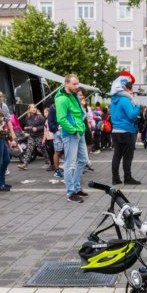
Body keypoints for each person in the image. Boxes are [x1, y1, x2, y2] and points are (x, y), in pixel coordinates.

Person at [55, 74, 89, 203]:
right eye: (74, 84)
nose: (77, 86)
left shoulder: (73, 95)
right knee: (70, 164)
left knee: (83, 161)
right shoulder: (62, 99)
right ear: (66, 83)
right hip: (71, 134)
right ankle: (70, 193)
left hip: (79, 132)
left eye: (78, 83)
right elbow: (61, 119)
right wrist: (74, 130)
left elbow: (78, 113)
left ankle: (76, 188)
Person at [110, 71, 141, 185]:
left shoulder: (114, 100)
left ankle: (115, 178)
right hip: (126, 131)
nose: (132, 90)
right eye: (130, 88)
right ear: (126, 88)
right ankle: (127, 178)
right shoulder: (125, 100)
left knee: (117, 155)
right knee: (127, 157)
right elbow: (132, 115)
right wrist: (137, 107)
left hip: (116, 131)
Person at [18, 104, 45, 170]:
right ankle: (25, 164)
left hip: (39, 135)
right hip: (31, 136)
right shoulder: (27, 117)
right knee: (29, 149)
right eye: (32, 108)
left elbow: (44, 126)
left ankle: (48, 162)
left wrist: (37, 128)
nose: (33, 109)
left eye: (35, 107)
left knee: (42, 149)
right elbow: (27, 126)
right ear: (29, 109)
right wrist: (26, 130)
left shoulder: (40, 116)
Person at [48, 102, 64, 178]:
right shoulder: (53, 107)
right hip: (58, 132)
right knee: (57, 151)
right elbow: (50, 122)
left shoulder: (69, 103)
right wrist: (56, 128)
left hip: (68, 131)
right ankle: (57, 170)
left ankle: (67, 169)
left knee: (68, 151)